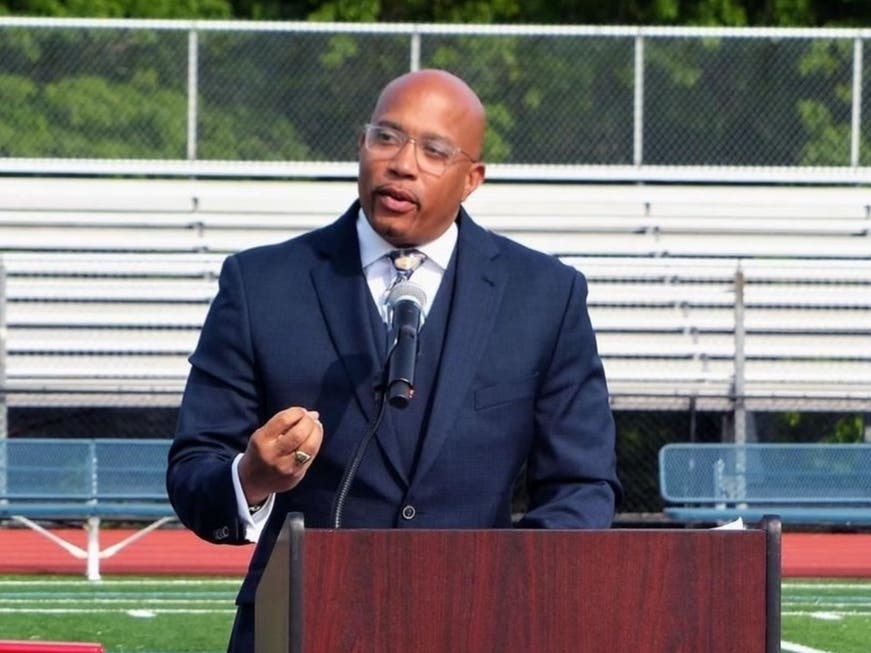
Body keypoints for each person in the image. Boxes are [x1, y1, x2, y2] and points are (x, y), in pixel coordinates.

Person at [167, 68, 621, 653]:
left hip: (482, 626)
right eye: (386, 137)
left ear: (472, 178)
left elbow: (582, 487)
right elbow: (194, 468)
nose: (402, 163)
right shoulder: (259, 285)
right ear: (362, 145)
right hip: (299, 627)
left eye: (434, 150)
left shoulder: (545, 295)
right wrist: (250, 478)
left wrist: (508, 587)